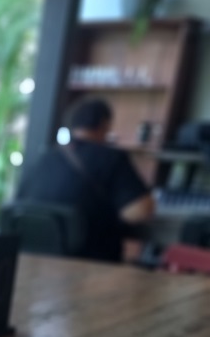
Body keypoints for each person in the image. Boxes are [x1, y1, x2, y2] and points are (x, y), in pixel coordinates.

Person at [16, 97, 154, 263]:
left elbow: (19, 203)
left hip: (35, 261)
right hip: (90, 266)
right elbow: (140, 211)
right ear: (105, 124)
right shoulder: (112, 158)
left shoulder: (44, 157)